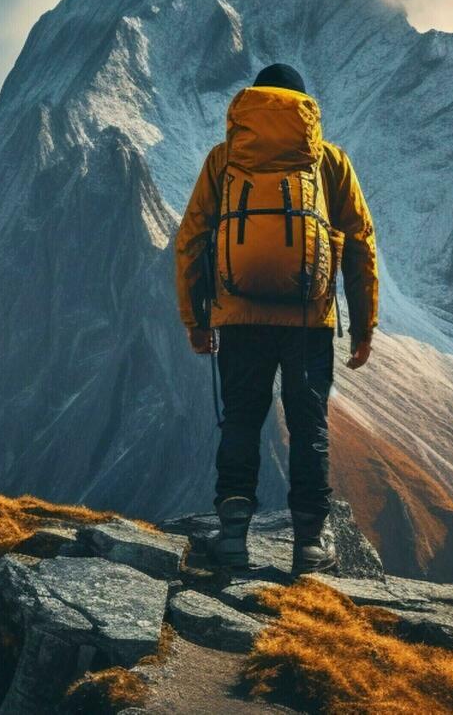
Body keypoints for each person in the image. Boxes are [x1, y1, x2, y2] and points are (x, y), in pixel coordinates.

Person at [174, 62, 378, 575]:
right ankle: (310, 543)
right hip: (310, 319)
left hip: (237, 315)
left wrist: (196, 320)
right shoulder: (328, 161)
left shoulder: (224, 160)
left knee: (242, 418)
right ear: (304, 109)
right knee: (309, 422)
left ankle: (233, 536)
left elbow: (190, 241)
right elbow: (360, 243)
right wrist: (363, 325)